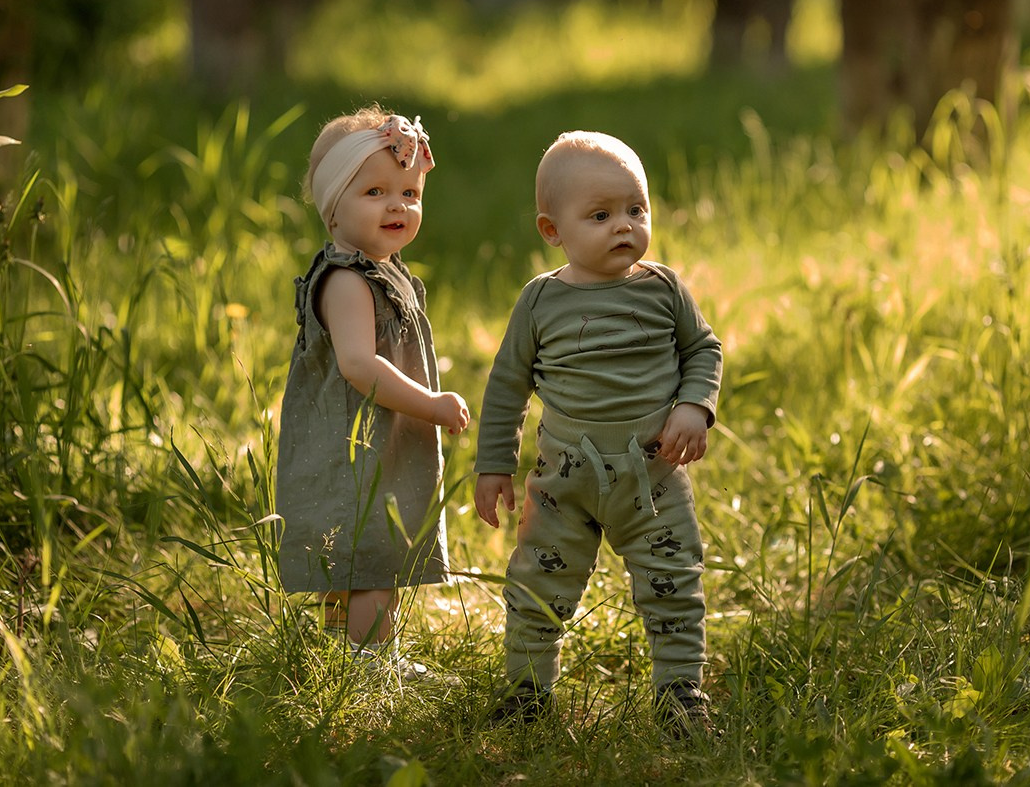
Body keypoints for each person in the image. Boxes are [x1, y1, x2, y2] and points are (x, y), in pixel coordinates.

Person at [474, 130, 722, 736]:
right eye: (601, 215)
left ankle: (680, 692)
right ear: (552, 230)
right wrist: (494, 465)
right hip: (566, 482)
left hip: (652, 477)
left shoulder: (663, 288)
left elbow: (702, 349)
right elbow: (507, 385)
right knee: (538, 581)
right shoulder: (540, 302)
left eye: (636, 209)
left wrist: (694, 406)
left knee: (673, 583)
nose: (624, 226)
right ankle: (528, 692)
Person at [274, 106, 470, 681]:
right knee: (368, 555)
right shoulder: (346, 281)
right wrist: (430, 404)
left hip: (374, 436)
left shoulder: (380, 270)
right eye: (375, 192)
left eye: (410, 193)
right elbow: (359, 365)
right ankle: (370, 666)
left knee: (359, 554)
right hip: (353, 442)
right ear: (334, 207)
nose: (397, 206)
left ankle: (345, 654)